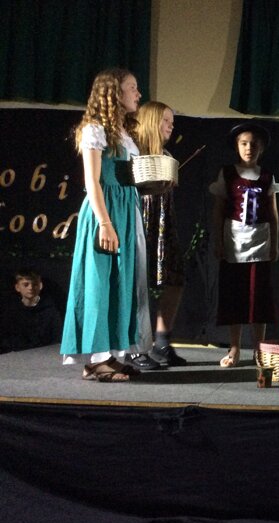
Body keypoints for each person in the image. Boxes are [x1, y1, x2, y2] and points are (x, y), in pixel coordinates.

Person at [60, 68, 153, 381]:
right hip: (106, 211)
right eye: (132, 87)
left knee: (122, 282)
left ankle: (114, 354)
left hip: (126, 209)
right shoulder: (94, 129)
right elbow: (92, 181)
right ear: (114, 92)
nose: (138, 93)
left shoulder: (124, 133)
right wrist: (105, 223)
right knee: (100, 283)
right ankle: (97, 359)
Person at [210, 123, 279, 367]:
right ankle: (235, 348)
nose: (249, 148)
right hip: (234, 242)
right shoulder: (228, 173)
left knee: (258, 298)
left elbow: (273, 213)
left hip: (259, 242)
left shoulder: (267, 176)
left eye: (253, 144)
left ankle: (259, 349)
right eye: (244, 143)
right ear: (237, 146)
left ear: (261, 148)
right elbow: (218, 211)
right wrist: (218, 241)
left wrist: (275, 244)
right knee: (235, 297)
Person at [135, 101, 187, 367]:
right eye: (166, 120)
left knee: (175, 278)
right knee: (137, 284)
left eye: (172, 122)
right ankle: (135, 346)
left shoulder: (165, 154)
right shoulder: (134, 152)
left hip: (164, 224)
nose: (170, 126)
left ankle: (162, 342)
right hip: (141, 221)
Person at [1, 268, 62, 352]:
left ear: (40, 286)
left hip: (44, 354)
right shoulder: (11, 311)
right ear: (17, 287)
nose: (31, 288)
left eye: (35, 284)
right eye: (26, 284)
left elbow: (57, 337)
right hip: (17, 355)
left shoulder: (50, 311)